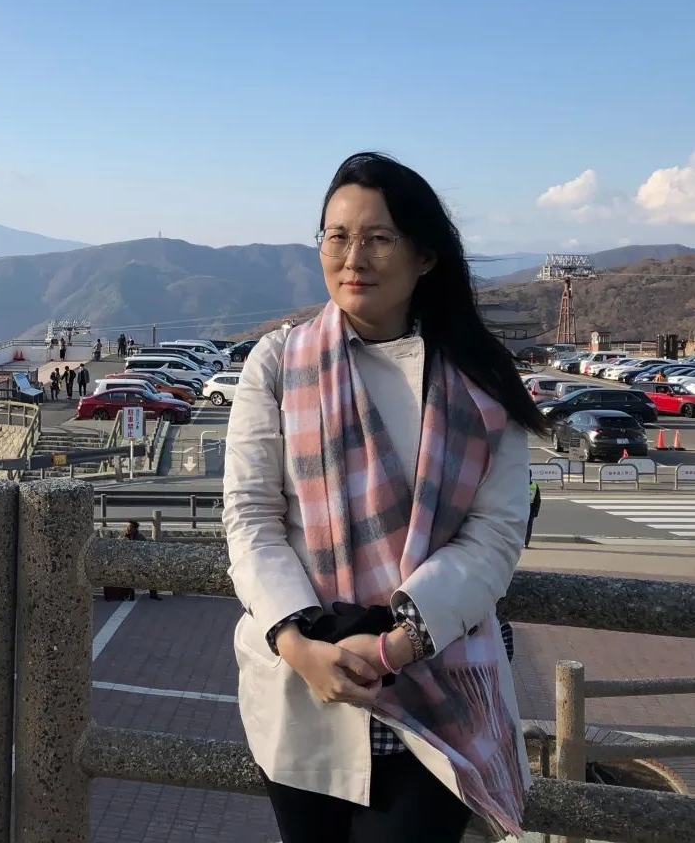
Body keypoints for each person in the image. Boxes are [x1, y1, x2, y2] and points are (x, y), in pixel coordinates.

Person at [223, 152, 547, 843]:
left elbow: (494, 538)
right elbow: (251, 518)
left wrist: (394, 647)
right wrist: (296, 644)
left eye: (378, 238)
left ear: (425, 256)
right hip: (304, 680)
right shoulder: (278, 364)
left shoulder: (481, 381)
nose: (353, 258)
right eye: (337, 236)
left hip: (437, 682)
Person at [122, 520, 161, 600]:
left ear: (135, 529)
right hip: (127, 563)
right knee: (127, 573)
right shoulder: (123, 537)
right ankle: (129, 594)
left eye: (130, 527)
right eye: (127, 527)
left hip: (139, 562)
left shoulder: (140, 538)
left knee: (150, 573)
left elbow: (147, 550)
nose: (128, 529)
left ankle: (153, 594)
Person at [525, 471, 542, 548]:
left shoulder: (520, 485)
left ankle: (524, 542)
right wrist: (536, 511)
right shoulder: (534, 485)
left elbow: (537, 500)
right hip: (530, 507)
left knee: (524, 525)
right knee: (528, 526)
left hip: (524, 507)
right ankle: (525, 543)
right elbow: (538, 500)